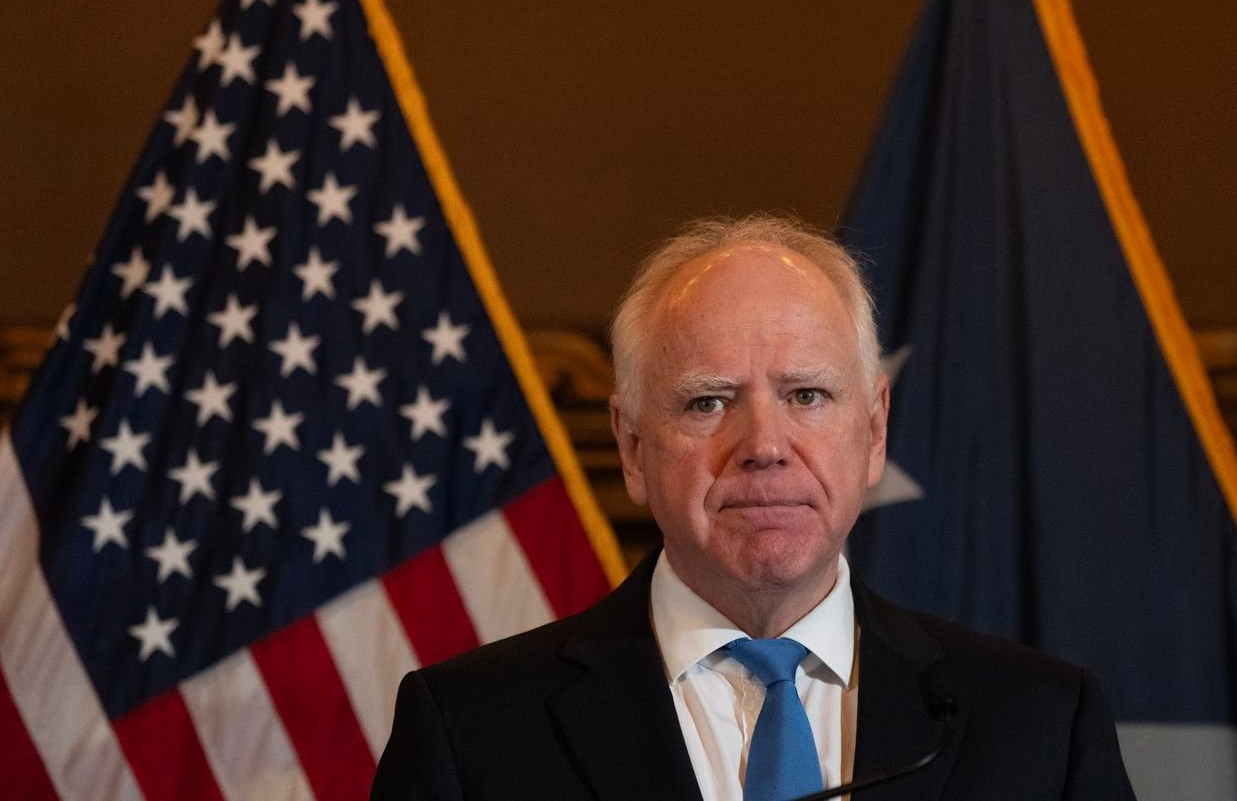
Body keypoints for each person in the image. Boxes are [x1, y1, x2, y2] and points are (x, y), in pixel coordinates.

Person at [371, 215, 1135, 800]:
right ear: (633, 447)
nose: (764, 445)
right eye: (708, 402)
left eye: (807, 395)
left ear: (873, 431)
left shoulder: (1038, 724)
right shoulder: (472, 732)